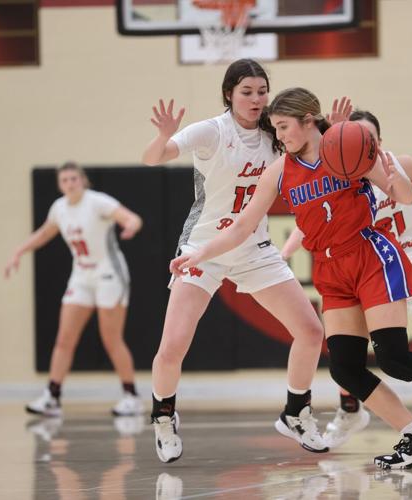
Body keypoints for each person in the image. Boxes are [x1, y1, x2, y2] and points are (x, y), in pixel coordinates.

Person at [172, 87, 412, 469]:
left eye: (283, 127)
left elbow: (403, 195)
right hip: (330, 270)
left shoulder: (344, 145)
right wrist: (199, 252)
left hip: (369, 256)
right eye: (275, 129)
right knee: (345, 367)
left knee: (394, 358)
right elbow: (243, 225)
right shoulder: (280, 170)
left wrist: (387, 171)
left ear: (308, 120)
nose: (279, 137)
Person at [141, 59, 331, 463]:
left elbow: (317, 142)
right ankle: (162, 416)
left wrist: (336, 133)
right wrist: (162, 136)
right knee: (173, 345)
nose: (256, 99)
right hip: (204, 247)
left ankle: (297, 412)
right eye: (247, 91)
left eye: (262, 91)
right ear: (229, 93)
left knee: (311, 331)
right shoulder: (212, 130)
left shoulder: (275, 133)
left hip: (252, 246)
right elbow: (153, 158)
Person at [281, 110, 412, 448]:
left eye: (364, 140)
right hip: (373, 267)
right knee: (348, 356)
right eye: (351, 138)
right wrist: (283, 255)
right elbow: (309, 219)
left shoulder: (398, 164)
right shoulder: (345, 172)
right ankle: (353, 410)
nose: (357, 146)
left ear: (377, 142)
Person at [5, 161, 144, 417]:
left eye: (74, 179)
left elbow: (131, 217)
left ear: (83, 181)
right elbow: (45, 233)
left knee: (111, 338)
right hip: (81, 275)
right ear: (60, 185)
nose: (70, 184)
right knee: (64, 338)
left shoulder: (97, 201)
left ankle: (131, 396)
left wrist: (131, 225)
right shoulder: (59, 208)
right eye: (65, 180)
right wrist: (19, 251)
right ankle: (53, 397)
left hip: (109, 273)